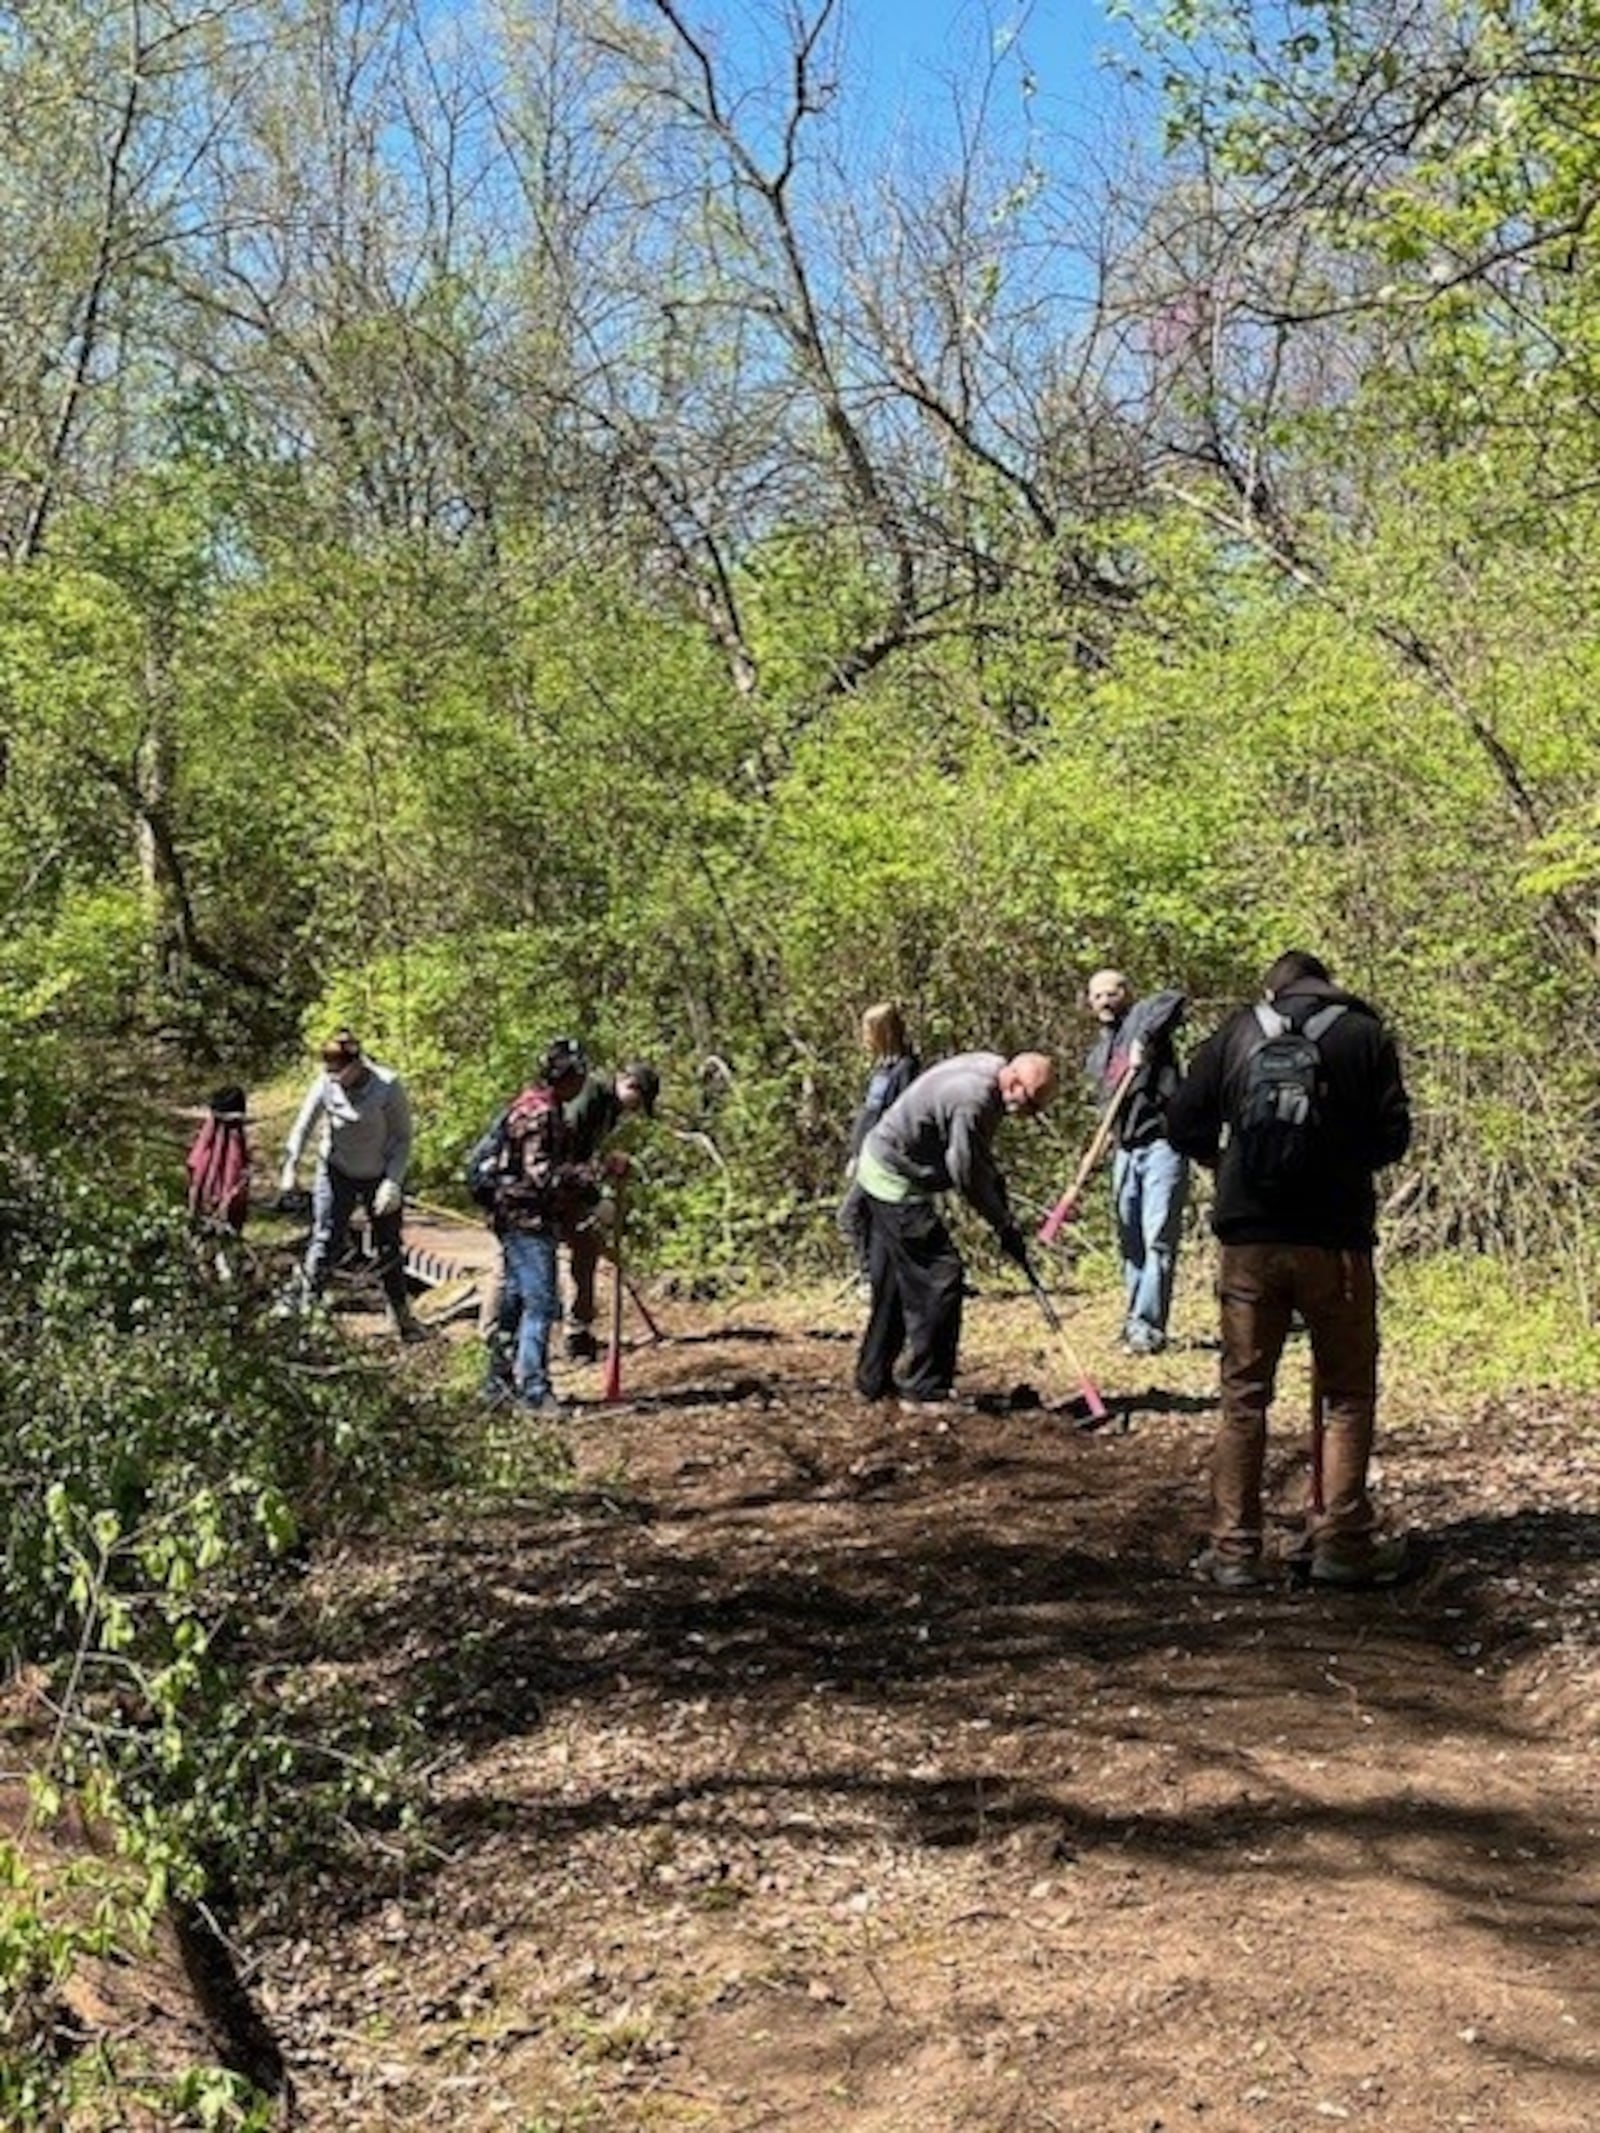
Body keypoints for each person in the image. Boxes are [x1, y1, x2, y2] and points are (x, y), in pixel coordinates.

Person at [1165, 950, 1413, 1590]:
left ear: (1272, 986)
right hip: (1336, 1243)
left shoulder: (1239, 1030)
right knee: (1345, 1393)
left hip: (1251, 1240)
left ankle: (1234, 1551)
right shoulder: (1364, 1033)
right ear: (1327, 983)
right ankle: (1341, 1546)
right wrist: (1340, 1156)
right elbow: (1394, 1136)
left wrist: (1229, 1165)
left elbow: (1182, 1120)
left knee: (1244, 1394)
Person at [854, 1050, 1056, 1409]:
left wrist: (998, 1191)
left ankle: (873, 1380)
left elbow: (978, 1158)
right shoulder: (974, 1100)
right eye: (1031, 1104)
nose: (1030, 1115)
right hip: (893, 1178)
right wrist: (1001, 1223)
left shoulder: (990, 1070)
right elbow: (965, 1172)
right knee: (940, 1277)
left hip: (880, 1163)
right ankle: (925, 1389)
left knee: (895, 1283)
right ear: (1013, 1083)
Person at [1057, 969, 1189, 1356]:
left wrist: (1145, 1040)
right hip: (1126, 1151)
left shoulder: (1145, 1016)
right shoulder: (1099, 1056)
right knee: (1129, 1239)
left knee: (1157, 1238)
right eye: (1096, 996)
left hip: (1163, 1144)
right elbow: (1106, 1110)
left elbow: (1176, 998)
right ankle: (1134, 1318)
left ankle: (1148, 1328)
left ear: (1127, 992)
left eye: (1111, 992)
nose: (1104, 1001)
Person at [485, 1039, 615, 1416]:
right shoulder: (540, 1114)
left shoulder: (536, 1106)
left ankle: (497, 1384)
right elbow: (542, 1175)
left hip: (516, 1217)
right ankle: (535, 1392)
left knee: (512, 1303)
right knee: (541, 1304)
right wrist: (597, 1176)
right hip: (527, 1220)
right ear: (567, 1076)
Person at [279, 1029, 424, 1341]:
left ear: (356, 1064)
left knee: (388, 1245)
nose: (335, 1078)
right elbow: (302, 1127)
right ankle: (309, 1308)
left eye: (340, 1070)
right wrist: (290, 1167)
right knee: (326, 1237)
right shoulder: (325, 1083)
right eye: (330, 1071)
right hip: (336, 1170)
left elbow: (402, 1138)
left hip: (378, 1174)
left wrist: (393, 1183)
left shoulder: (387, 1086)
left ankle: (401, 1314)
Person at [560, 1060, 661, 1362]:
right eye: (638, 1100)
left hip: (573, 1186)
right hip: (552, 1187)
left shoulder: (610, 1107)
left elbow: (586, 1153)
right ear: (627, 1082)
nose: (636, 1108)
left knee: (586, 1250)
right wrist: (593, 1198)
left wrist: (606, 1163)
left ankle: (577, 1332)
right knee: (528, 1262)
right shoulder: (590, 1097)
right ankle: (500, 1341)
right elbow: (566, 1151)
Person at [836, 1002, 921, 1284]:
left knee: (851, 1215)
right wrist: (856, 1152)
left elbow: (900, 1116)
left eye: (867, 1030)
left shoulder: (905, 1069)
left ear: (881, 1031)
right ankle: (884, 1278)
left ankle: (871, 1277)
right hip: (865, 1154)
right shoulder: (881, 1070)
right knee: (872, 1221)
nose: (863, 1036)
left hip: (884, 1158)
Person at [184, 1084, 253, 1280]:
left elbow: (198, 1168)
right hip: (213, 1209)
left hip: (218, 1209)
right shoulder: (225, 1136)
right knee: (213, 1251)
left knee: (218, 1253)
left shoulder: (221, 1136)